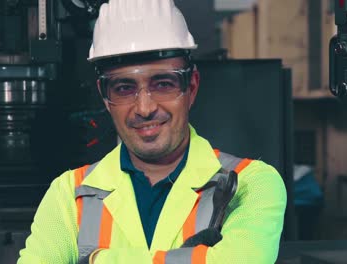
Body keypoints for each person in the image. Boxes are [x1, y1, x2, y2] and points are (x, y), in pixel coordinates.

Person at [18, 0, 287, 263]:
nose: (144, 108)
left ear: (191, 87)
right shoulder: (69, 193)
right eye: (124, 88)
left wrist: (98, 259)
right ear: (104, 96)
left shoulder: (252, 183)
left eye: (163, 84)